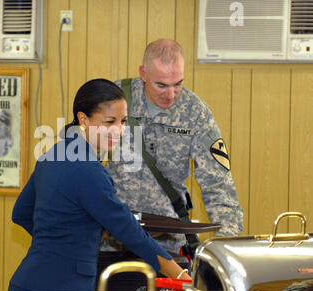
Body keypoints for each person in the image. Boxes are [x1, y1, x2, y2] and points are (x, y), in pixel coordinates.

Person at [8, 79, 190, 291]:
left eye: (123, 121)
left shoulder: (51, 155)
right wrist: (181, 276)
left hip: (27, 280)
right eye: (109, 122)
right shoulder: (89, 170)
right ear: (83, 119)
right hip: (63, 287)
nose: (119, 131)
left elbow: (20, 213)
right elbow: (129, 231)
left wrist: (61, 241)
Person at [104, 39, 243, 255]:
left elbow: (219, 186)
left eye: (178, 84)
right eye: (161, 85)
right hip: (112, 241)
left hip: (168, 247)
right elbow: (83, 165)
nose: (171, 95)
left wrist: (226, 249)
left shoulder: (195, 112)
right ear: (143, 73)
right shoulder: (114, 100)